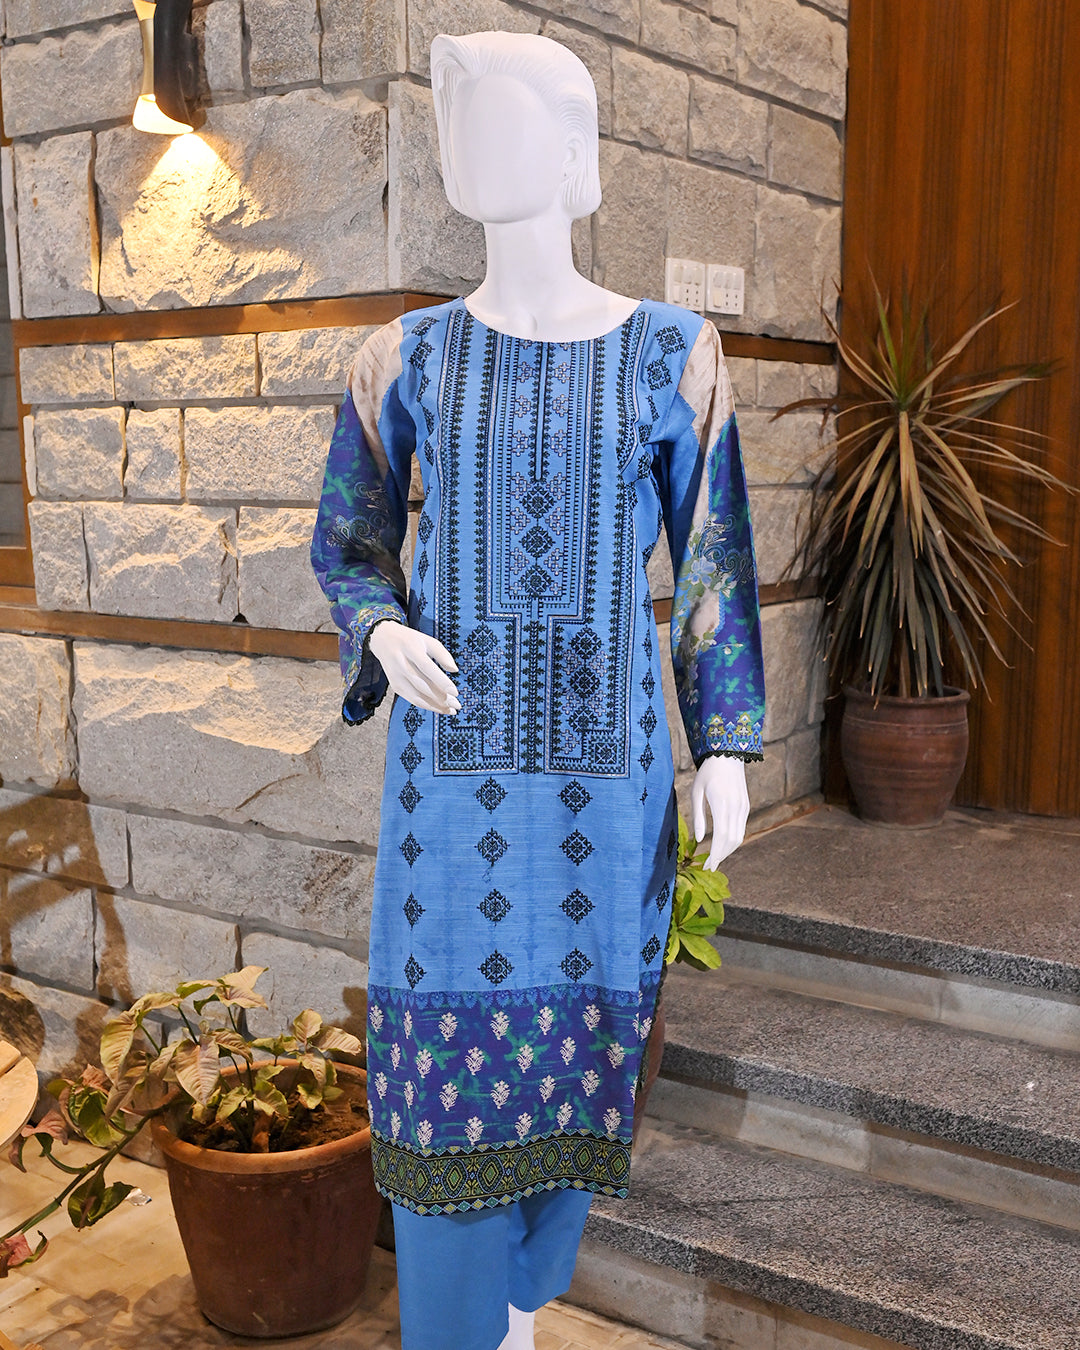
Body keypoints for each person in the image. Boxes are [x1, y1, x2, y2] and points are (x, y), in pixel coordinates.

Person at [310, 31, 765, 1350]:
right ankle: (463, 1324)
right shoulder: (402, 358)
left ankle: (520, 1293)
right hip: (446, 809)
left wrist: (724, 744)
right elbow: (348, 543)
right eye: (459, 121)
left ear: (575, 153)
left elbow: (716, 558)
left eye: (501, 118)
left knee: (592, 1056)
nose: (473, 144)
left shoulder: (675, 354)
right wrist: (380, 630)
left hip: (607, 792)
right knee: (438, 1087)